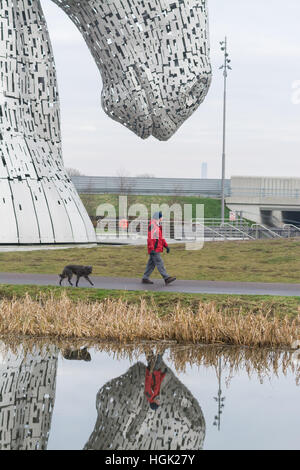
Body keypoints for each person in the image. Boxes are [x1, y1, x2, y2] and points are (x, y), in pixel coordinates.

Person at [142, 211, 176, 285]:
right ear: (158, 218)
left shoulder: (157, 226)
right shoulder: (153, 225)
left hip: (155, 248)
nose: (162, 218)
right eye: (161, 217)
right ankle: (166, 278)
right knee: (160, 262)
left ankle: (145, 278)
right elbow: (150, 238)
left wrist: (166, 246)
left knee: (151, 264)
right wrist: (152, 248)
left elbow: (160, 238)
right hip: (154, 249)